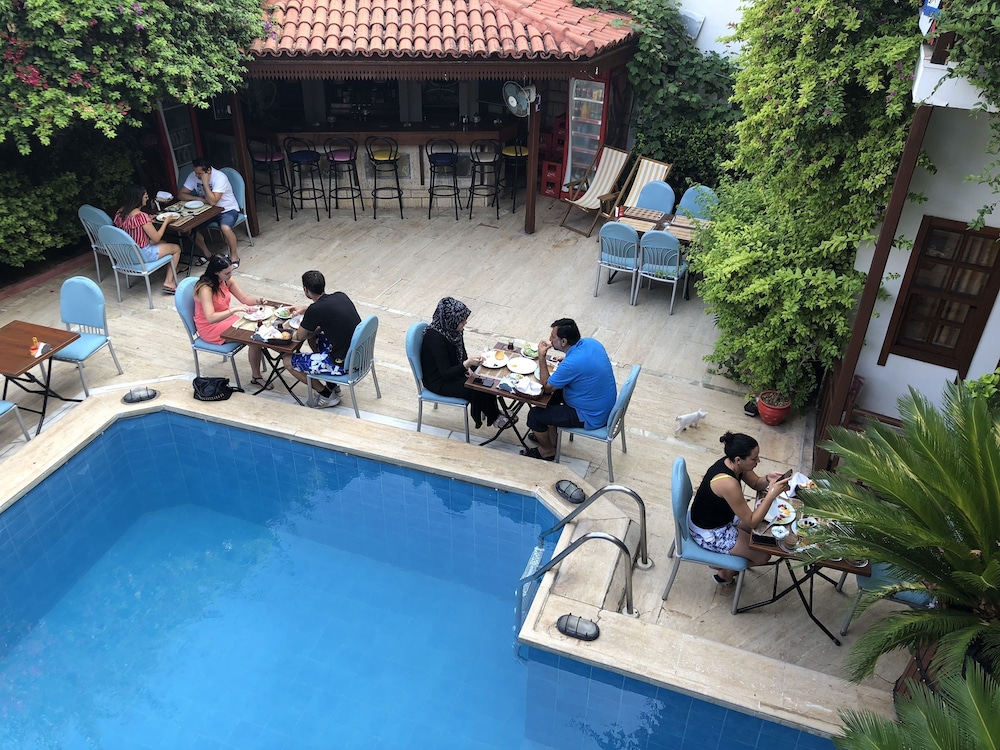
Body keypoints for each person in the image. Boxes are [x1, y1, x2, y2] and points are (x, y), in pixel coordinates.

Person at [688, 432, 790, 585]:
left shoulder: (733, 464)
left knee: (764, 534)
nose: (758, 461)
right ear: (738, 460)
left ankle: (726, 562)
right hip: (710, 531)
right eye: (754, 459)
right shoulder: (728, 483)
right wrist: (771, 495)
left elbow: (756, 483)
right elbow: (752, 521)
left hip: (722, 517)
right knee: (763, 556)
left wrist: (768, 478)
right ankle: (725, 572)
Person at [524, 318, 617, 461]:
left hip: (590, 415)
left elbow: (547, 387)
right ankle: (551, 439)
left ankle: (547, 450)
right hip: (599, 403)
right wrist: (568, 360)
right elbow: (585, 365)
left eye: (553, 337)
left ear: (563, 341)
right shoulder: (591, 343)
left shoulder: (573, 363)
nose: (550, 339)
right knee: (548, 400)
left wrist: (542, 357)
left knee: (535, 415)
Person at [420, 297, 507, 429]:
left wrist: (468, 367)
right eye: (462, 320)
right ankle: (494, 416)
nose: (465, 322)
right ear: (452, 320)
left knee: (483, 374)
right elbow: (445, 373)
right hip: (438, 380)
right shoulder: (435, 338)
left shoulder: (452, 330)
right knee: (476, 387)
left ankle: (494, 411)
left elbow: (461, 352)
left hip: (452, 369)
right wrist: (466, 365)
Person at [282, 270, 361, 409]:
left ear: (306, 290)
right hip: (359, 356)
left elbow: (300, 336)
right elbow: (325, 310)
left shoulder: (315, 309)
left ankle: (326, 395)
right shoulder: (341, 296)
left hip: (344, 364)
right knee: (314, 338)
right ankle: (332, 385)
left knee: (287, 360)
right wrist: (305, 310)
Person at [193, 255, 270, 389]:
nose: (230, 275)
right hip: (210, 327)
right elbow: (211, 318)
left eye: (231, 271)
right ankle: (256, 376)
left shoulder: (226, 280)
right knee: (253, 337)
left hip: (226, 319)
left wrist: (258, 301)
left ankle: (257, 371)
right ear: (216, 272)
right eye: (227, 273)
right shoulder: (205, 289)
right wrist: (234, 309)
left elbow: (244, 299)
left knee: (258, 326)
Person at [112, 185, 182, 294]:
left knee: (165, 243)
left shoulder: (119, 213)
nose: (147, 198)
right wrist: (166, 221)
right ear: (138, 198)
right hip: (142, 254)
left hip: (127, 253)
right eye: (145, 196)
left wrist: (148, 219)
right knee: (176, 248)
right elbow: (157, 238)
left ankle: (173, 268)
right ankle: (168, 281)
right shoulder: (141, 216)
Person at [177, 158, 242, 267]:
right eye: (195, 172)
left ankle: (234, 256)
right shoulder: (193, 175)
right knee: (189, 227)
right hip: (207, 210)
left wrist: (205, 183)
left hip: (227, 209)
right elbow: (181, 194)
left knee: (225, 228)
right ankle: (207, 255)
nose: (196, 175)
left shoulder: (219, 177)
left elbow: (213, 201)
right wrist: (199, 199)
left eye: (199, 174)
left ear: (208, 171)